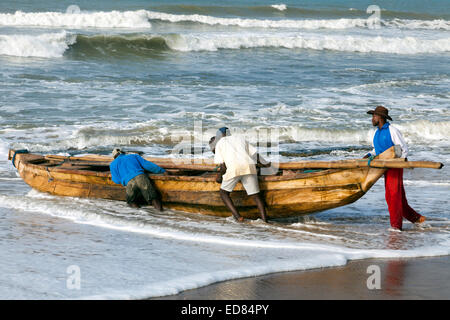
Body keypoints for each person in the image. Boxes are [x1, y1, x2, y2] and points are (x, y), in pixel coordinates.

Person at [364, 106, 426, 231]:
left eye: (374, 116)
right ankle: (417, 219)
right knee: (397, 197)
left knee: (393, 196)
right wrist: (368, 155)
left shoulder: (392, 130)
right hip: (384, 167)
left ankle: (396, 227)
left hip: (394, 167)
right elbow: (376, 150)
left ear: (380, 118)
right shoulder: (377, 132)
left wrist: (400, 163)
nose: (372, 119)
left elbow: (403, 149)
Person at [210, 127, 270, 222]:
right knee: (255, 195)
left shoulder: (220, 143)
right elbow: (255, 154)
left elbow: (223, 167)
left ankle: (238, 217)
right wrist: (266, 164)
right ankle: (264, 220)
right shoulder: (240, 138)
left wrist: (220, 177)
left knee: (223, 193)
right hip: (249, 166)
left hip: (234, 168)